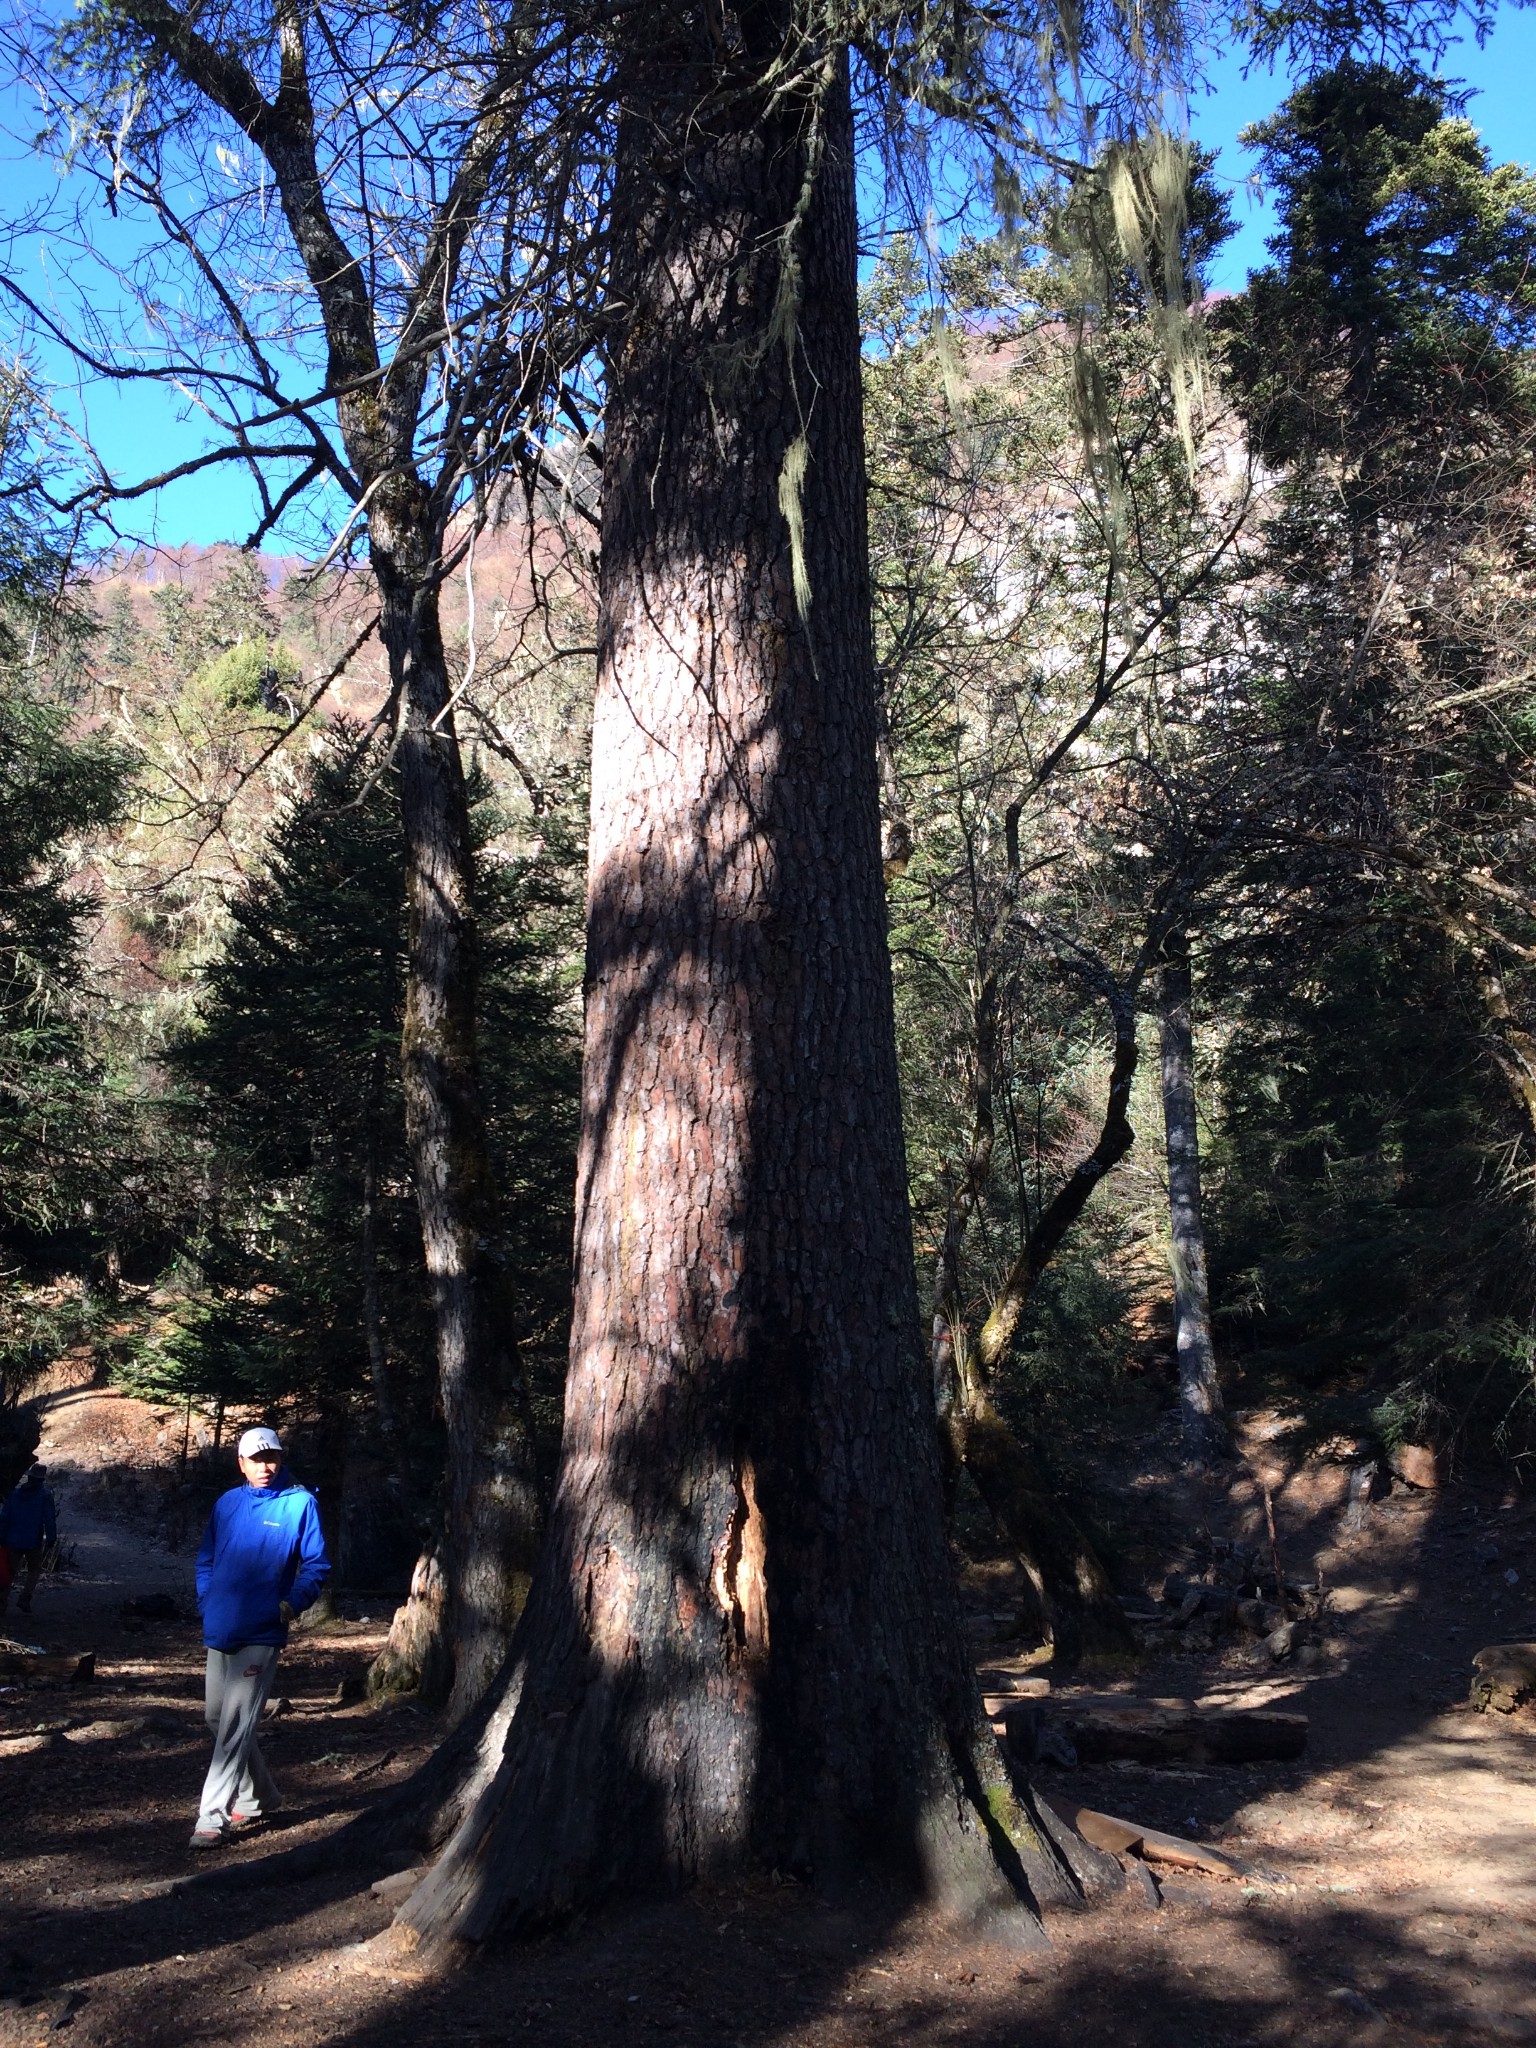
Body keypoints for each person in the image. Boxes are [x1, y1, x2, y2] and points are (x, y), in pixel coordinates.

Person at [191, 1425, 329, 1851]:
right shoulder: (228, 1503)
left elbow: (317, 1564)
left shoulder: (300, 1503)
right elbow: (206, 1559)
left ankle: (212, 1817)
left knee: (234, 1722)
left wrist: (291, 1604)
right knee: (217, 1718)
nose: (265, 1466)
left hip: (263, 1631)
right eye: (256, 1459)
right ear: (242, 1464)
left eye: (271, 1458)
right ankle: (259, 1797)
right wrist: (206, 1599)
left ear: (281, 1460)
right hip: (220, 1626)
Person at [0, 1464, 58, 1619]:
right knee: (34, 1570)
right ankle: (25, 1598)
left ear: (29, 1477)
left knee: (9, 1573)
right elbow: (49, 1519)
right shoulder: (45, 1496)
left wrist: (1, 1537)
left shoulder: (15, 1494)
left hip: (12, 1540)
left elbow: (4, 1517)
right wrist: (51, 1538)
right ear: (42, 1480)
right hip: (33, 1541)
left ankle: (2, 1603)